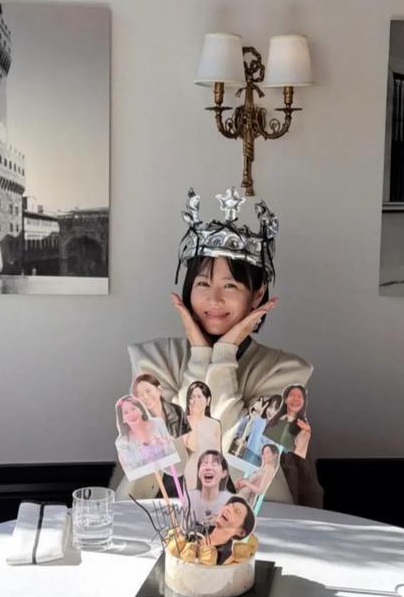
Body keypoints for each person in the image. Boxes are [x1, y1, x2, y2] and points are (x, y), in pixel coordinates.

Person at [116, 187, 323, 506]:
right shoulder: (154, 361)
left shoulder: (285, 373)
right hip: (159, 517)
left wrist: (223, 354)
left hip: (257, 520)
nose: (214, 299)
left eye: (230, 286)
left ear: (257, 294)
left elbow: (243, 463)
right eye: (203, 283)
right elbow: (168, 461)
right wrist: (201, 356)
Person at [114, 395, 177, 475]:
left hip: (171, 472)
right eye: (126, 412)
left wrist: (168, 443)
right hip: (147, 479)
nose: (131, 414)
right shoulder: (122, 442)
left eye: (133, 409)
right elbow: (131, 470)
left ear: (141, 410)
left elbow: (173, 451)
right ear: (122, 419)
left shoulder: (158, 423)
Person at [181, 381, 222, 490]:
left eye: (199, 397)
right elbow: (192, 447)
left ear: (207, 400)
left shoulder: (215, 424)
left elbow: (218, 453)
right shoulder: (184, 422)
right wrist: (194, 418)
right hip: (191, 471)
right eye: (192, 397)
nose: (195, 401)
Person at [265, 384, 311, 458]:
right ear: (285, 399)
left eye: (299, 397)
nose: (295, 399)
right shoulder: (276, 420)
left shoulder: (304, 428)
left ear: (304, 402)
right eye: (292, 395)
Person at [187, 449, 232, 525]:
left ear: (224, 473)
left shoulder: (231, 502)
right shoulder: (187, 497)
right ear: (198, 472)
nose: (208, 467)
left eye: (214, 464)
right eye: (204, 464)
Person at [206, 496, 256, 564]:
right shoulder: (198, 528)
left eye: (236, 511)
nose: (228, 509)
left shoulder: (224, 559)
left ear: (241, 532)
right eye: (229, 505)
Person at [132, 373, 185, 437]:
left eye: (148, 391)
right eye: (140, 394)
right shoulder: (142, 424)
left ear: (159, 389)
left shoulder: (178, 411)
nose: (145, 397)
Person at [241, 394, 282, 466]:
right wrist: (253, 417)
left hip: (259, 467)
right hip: (244, 460)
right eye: (270, 407)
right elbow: (241, 433)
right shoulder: (259, 420)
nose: (271, 411)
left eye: (276, 409)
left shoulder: (278, 433)